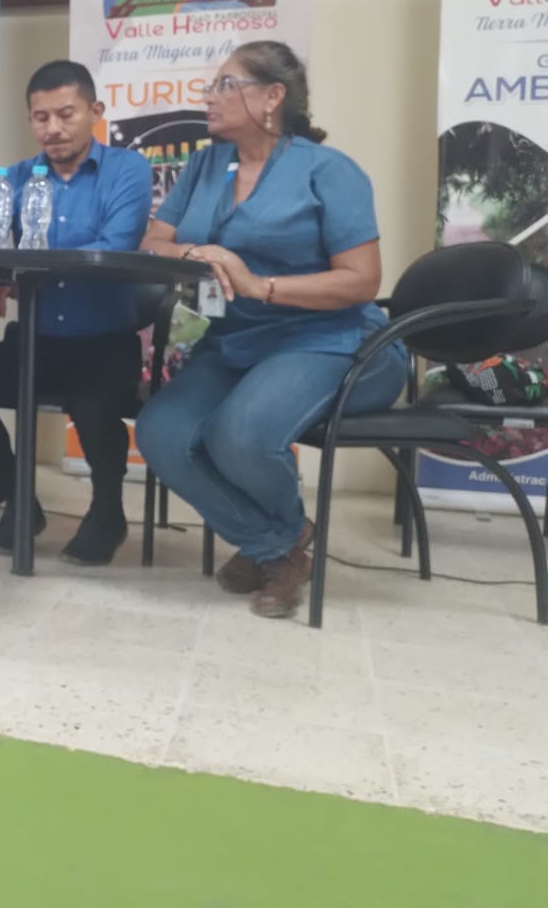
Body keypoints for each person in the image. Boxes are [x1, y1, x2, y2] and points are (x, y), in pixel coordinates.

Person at [134, 40, 406, 619]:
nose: (209, 97)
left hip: (329, 339)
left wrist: (260, 285)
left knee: (241, 435)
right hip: (234, 342)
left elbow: (362, 280)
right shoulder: (205, 165)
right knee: (161, 432)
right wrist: (195, 252)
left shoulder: (330, 171)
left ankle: (273, 549)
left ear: (272, 96)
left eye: (226, 85)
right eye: (212, 86)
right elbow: (153, 242)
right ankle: (279, 542)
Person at [0, 60, 153, 564]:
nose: (53, 129)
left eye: (66, 114)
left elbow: (114, 247)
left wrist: (25, 267)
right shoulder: (16, 177)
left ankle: (107, 511)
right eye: (41, 118)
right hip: (36, 338)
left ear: (95, 111)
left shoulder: (127, 170)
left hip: (104, 339)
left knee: (91, 401)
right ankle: (18, 500)